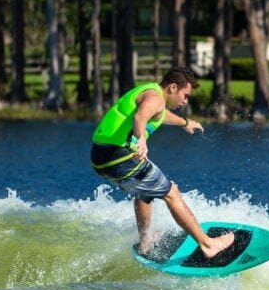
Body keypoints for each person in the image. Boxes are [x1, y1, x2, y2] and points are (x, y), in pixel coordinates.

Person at [91, 66, 234, 257]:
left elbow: (159, 115)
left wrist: (185, 123)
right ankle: (208, 244)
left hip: (100, 157)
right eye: (185, 95)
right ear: (173, 87)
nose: (185, 100)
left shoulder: (151, 93)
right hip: (119, 155)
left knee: (145, 191)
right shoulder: (155, 98)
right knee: (172, 193)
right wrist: (141, 139)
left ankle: (145, 242)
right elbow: (140, 117)